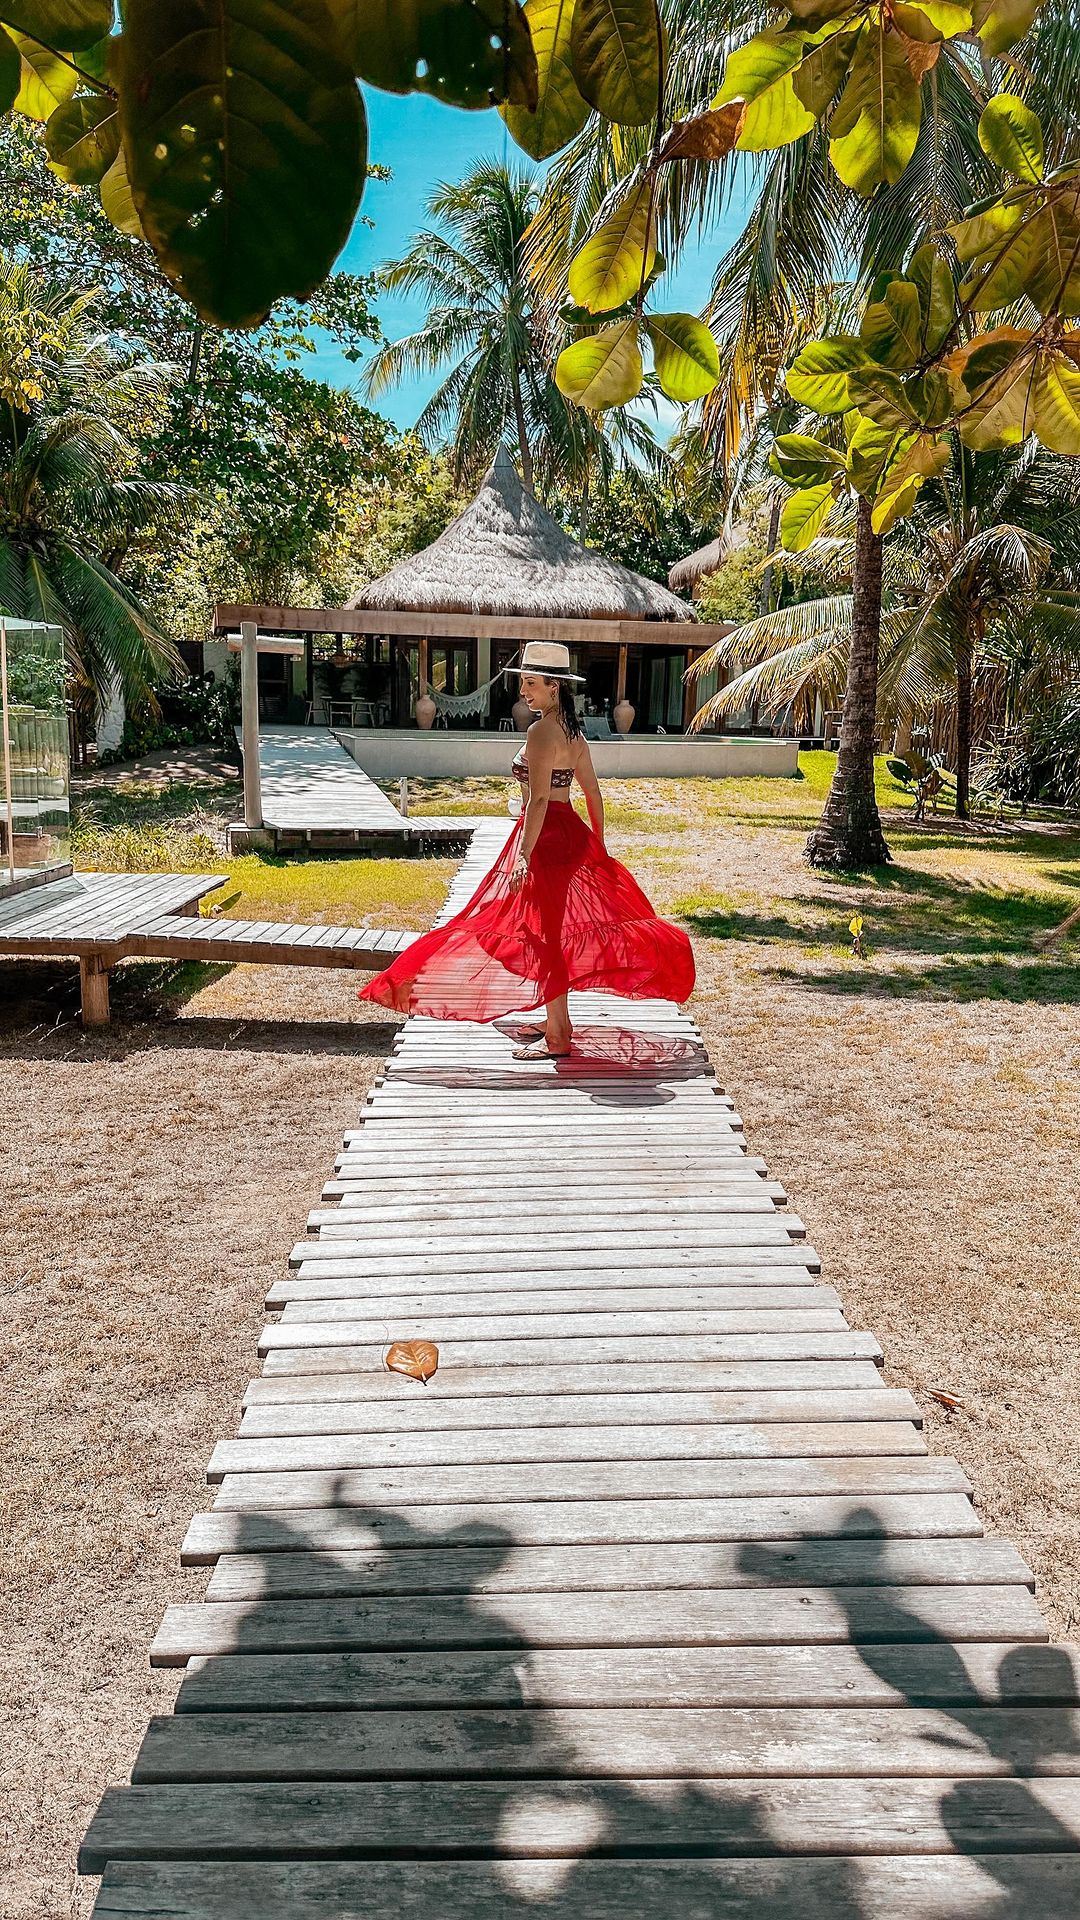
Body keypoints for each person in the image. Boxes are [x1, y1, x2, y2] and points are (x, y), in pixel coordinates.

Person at [357, 641, 695, 1058]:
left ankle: (558, 1036)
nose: (523, 692)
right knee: (546, 931)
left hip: (544, 838)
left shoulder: (540, 732)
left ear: (555, 687)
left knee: (536, 932)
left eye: (531, 684)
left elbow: (537, 800)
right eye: (523, 684)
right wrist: (598, 844)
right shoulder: (573, 732)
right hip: (569, 834)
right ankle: (555, 1019)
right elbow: (591, 793)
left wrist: (522, 855)